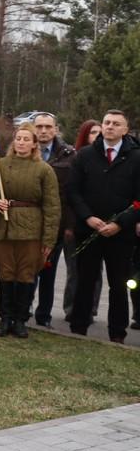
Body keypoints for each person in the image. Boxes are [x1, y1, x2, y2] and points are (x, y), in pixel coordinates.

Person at [66, 110, 140, 343]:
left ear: (125, 130)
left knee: (118, 285)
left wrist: (120, 223)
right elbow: (73, 191)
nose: (110, 127)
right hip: (89, 230)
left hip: (121, 235)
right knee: (85, 280)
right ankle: (78, 327)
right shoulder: (85, 155)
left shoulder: (137, 158)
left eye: (116, 124)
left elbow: (139, 200)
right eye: (107, 122)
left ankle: (117, 333)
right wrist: (88, 217)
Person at [0, 123, 60, 339]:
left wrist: (49, 239)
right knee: (6, 273)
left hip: (31, 231)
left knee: (26, 275)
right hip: (4, 228)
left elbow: (53, 207)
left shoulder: (44, 170)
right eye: (19, 138)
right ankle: (5, 318)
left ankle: (20, 320)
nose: (22, 142)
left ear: (35, 144)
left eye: (27, 139)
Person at [31, 113, 76, 327]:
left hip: (54, 225)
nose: (43, 131)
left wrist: (69, 225)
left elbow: (72, 194)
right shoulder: (24, 150)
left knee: (47, 272)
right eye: (39, 126)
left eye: (47, 127)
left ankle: (43, 316)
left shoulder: (69, 155)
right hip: (28, 223)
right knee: (27, 271)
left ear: (56, 129)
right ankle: (22, 311)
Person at [69, 119, 103, 323]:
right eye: (93, 132)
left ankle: (91, 309)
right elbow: (71, 194)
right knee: (76, 271)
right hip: (79, 224)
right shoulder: (76, 157)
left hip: (102, 224)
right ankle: (73, 307)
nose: (97, 136)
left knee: (95, 273)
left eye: (100, 132)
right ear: (84, 135)